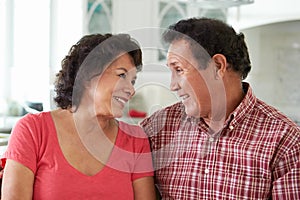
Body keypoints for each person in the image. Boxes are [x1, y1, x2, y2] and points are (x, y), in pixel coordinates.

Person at [140, 17, 300, 199]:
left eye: (179, 70)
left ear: (218, 66)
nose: (173, 85)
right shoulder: (156, 130)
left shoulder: (286, 141)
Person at [1, 33, 156, 199]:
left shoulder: (136, 140)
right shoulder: (33, 130)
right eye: (122, 75)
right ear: (87, 76)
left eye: (133, 81)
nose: (131, 90)